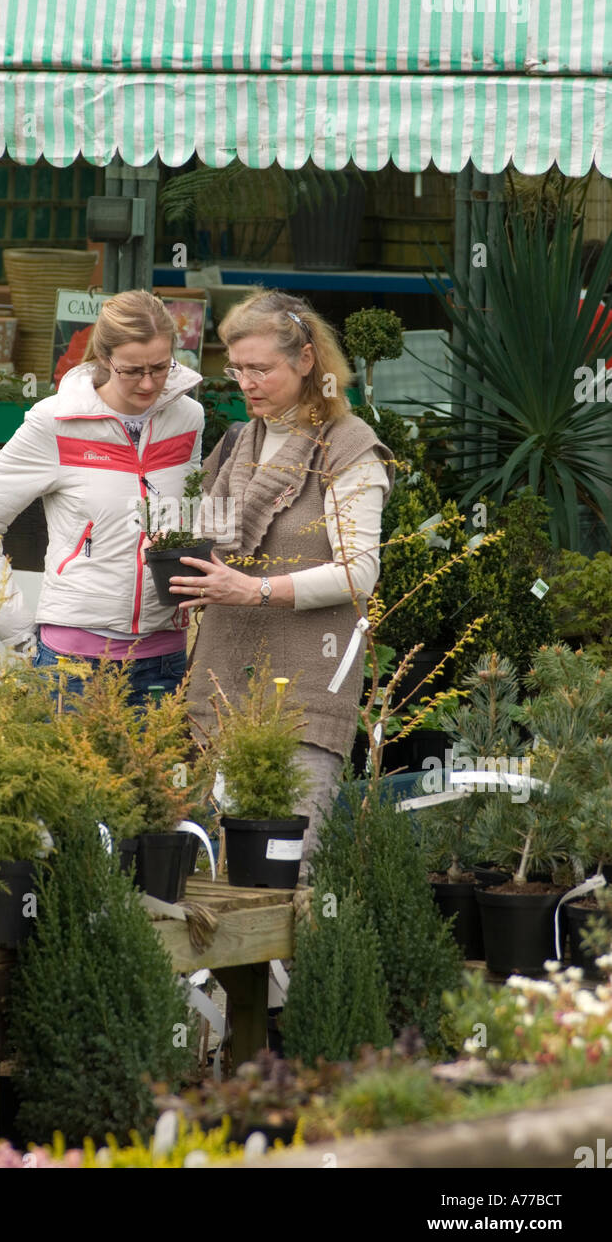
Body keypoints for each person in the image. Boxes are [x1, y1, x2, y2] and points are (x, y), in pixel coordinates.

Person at [175, 289, 396, 882]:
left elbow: (359, 573)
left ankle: (294, 982)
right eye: (237, 367)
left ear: (305, 361)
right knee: (213, 883)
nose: (245, 381)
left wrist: (255, 591)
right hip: (221, 692)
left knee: (286, 882)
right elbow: (215, 546)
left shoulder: (350, 449)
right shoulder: (236, 444)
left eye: (261, 368)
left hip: (302, 698)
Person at [0, 289, 204, 704]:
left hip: (165, 657)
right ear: (105, 359)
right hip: (74, 662)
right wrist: (14, 630)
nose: (148, 383)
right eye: (132, 370)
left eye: (160, 368)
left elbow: (183, 513)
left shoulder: (189, 417)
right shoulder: (56, 422)